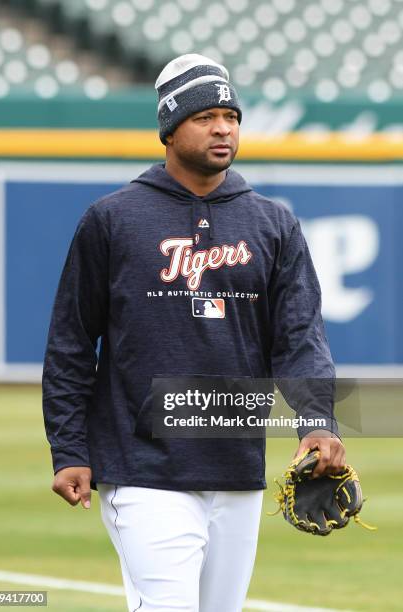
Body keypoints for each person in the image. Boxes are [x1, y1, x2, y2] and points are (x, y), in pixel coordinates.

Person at [42, 54, 345, 612]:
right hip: (142, 469)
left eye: (231, 115)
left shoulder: (272, 223)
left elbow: (299, 335)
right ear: (170, 127)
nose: (224, 127)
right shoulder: (112, 219)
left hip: (235, 466)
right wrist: (68, 449)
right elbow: (70, 343)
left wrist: (316, 421)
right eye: (206, 116)